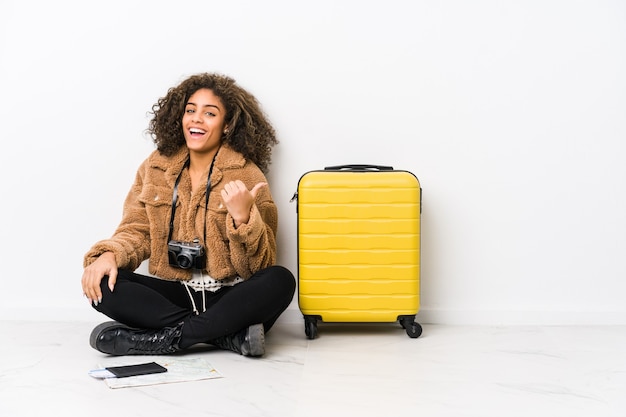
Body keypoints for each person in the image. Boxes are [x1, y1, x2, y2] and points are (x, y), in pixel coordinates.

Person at [81, 72, 296, 357]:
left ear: (228, 125)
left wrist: (244, 219)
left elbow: (260, 268)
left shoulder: (247, 173)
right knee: (103, 284)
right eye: (190, 110)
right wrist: (109, 255)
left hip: (228, 297)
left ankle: (160, 340)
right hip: (176, 295)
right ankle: (226, 337)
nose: (196, 118)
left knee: (280, 280)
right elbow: (136, 230)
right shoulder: (155, 167)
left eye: (210, 113)